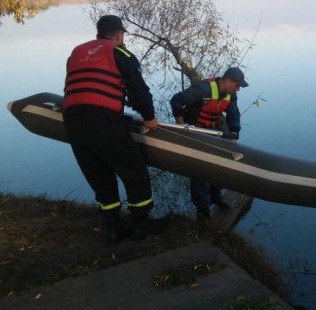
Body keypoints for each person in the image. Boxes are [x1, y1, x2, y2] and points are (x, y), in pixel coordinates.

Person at [63, 14, 168, 244]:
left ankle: (113, 227)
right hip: (104, 122)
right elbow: (139, 92)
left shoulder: (77, 53)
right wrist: (149, 117)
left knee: (99, 174)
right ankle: (142, 223)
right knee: (134, 171)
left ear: (99, 34)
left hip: (72, 121)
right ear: (120, 35)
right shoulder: (121, 53)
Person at [170, 67, 248, 219]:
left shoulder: (230, 94)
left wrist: (234, 133)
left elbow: (233, 113)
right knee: (199, 169)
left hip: (214, 128)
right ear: (228, 81)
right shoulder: (203, 89)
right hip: (195, 130)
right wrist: (181, 126)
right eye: (237, 85)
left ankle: (215, 195)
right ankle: (202, 210)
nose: (238, 89)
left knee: (222, 161)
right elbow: (176, 101)